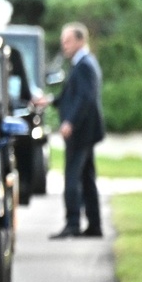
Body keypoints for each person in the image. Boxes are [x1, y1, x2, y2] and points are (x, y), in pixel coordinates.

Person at [45, 22, 105, 239]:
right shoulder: (81, 64)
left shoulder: (85, 65)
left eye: (68, 41)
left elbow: (84, 99)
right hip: (85, 132)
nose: (65, 46)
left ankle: (72, 224)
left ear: (81, 41)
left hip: (81, 132)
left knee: (72, 178)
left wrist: (70, 122)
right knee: (87, 179)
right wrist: (50, 101)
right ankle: (94, 226)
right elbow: (72, 94)